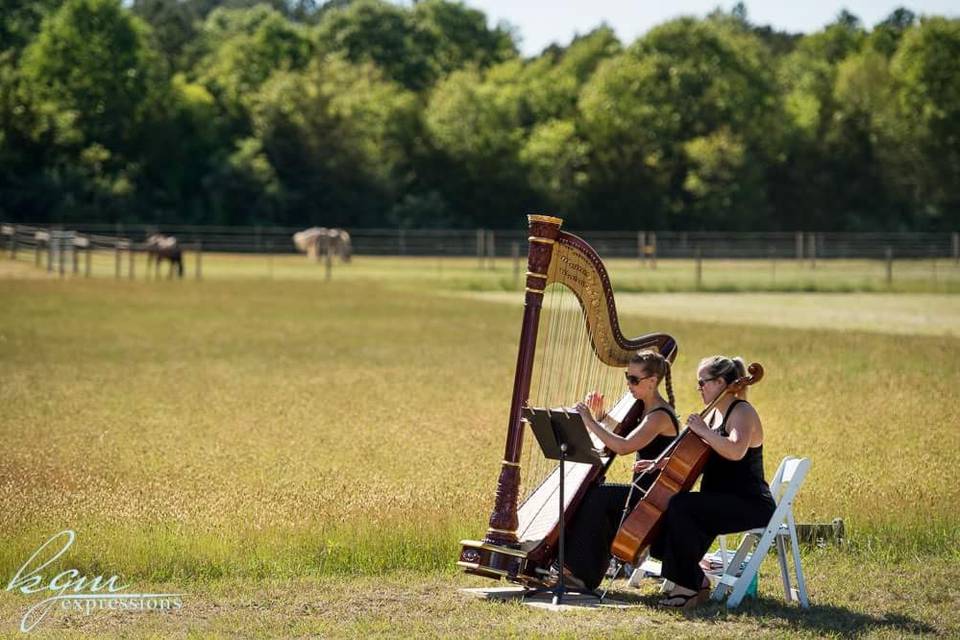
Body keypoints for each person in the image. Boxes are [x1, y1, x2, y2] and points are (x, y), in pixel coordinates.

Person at [639, 355, 776, 609]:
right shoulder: (713, 416)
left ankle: (687, 589)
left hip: (749, 503)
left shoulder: (742, 411)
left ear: (721, 382)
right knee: (667, 512)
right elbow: (695, 458)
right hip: (718, 500)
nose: (699, 388)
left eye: (703, 382)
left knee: (682, 505)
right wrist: (660, 464)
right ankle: (696, 581)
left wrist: (703, 431)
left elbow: (735, 450)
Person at [556, 349, 679, 591]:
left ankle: (579, 573)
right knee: (593, 493)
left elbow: (622, 447)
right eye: (627, 377)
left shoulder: (659, 416)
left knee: (596, 497)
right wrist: (601, 414)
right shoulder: (644, 408)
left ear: (653, 381)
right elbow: (622, 433)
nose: (629, 385)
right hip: (641, 491)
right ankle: (580, 572)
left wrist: (590, 420)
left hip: (651, 497)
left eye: (634, 380)